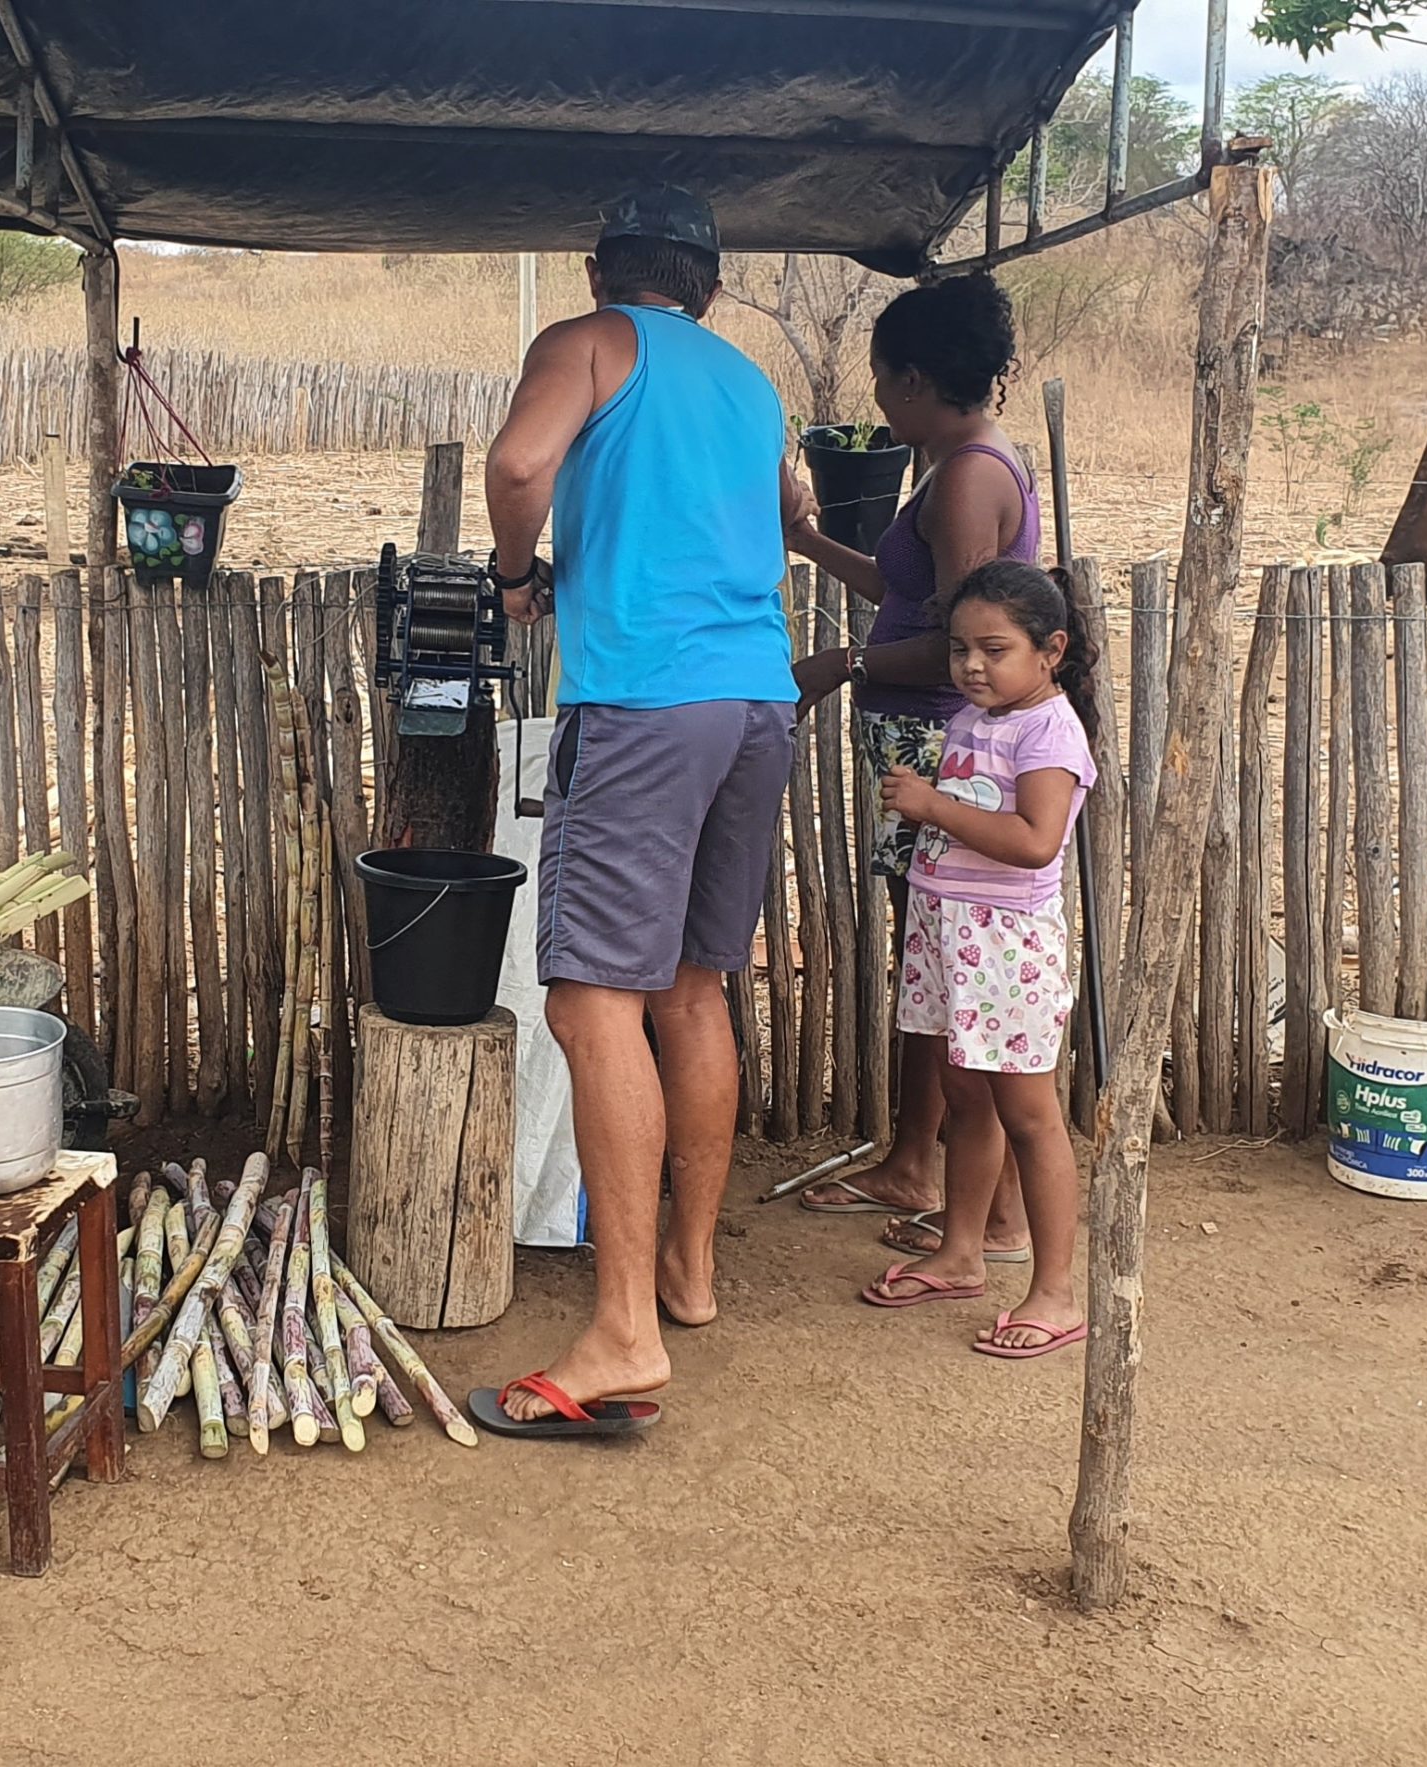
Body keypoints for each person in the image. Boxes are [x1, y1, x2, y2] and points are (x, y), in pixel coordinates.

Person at [464, 187, 802, 1439]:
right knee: (695, 986)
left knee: (589, 999)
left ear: (601, 266)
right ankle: (689, 1275)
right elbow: (787, 519)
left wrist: (515, 574)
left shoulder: (589, 342)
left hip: (644, 699)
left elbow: (515, 463)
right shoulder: (748, 382)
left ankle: (620, 1334)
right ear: (708, 282)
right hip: (753, 695)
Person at [785, 272, 1038, 1266]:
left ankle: (995, 1212)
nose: (877, 399)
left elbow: (960, 644)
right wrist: (808, 541)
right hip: (920, 743)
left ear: (920, 379)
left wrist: (838, 664)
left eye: (884, 378)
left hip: (947, 751)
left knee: (961, 970)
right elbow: (906, 591)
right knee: (931, 964)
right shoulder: (950, 463)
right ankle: (915, 1164)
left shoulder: (972, 474)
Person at [856, 561, 1094, 1359]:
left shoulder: (1050, 731)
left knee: (1030, 1114)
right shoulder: (975, 716)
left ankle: (1055, 1291)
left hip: (1008, 947)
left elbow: (1034, 843)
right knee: (968, 1100)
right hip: (950, 932)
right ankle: (961, 1252)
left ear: (1050, 649)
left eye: (995, 649)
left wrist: (932, 805)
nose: (972, 666)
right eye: (961, 649)